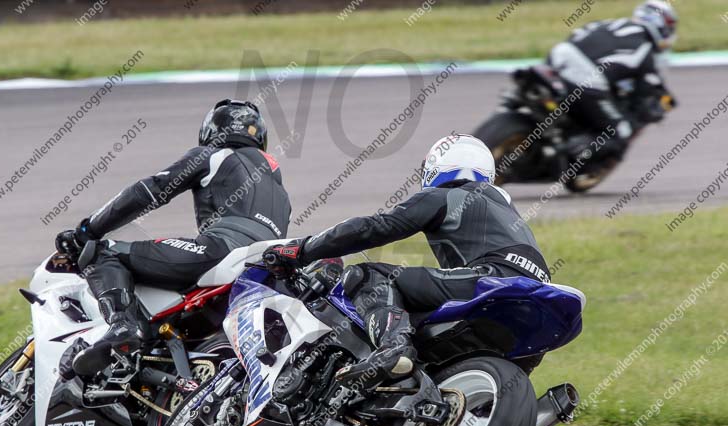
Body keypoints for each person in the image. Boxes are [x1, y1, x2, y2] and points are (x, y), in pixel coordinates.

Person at [264, 134, 550, 389]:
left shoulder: (446, 195)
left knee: (369, 275)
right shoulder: (504, 207)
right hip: (536, 300)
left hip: (492, 278)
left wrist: (303, 249)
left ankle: (393, 347)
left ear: (437, 168)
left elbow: (374, 227)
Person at [55, 99, 291, 376]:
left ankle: (123, 324)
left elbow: (149, 191)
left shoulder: (215, 155)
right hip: (261, 272)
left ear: (210, 132)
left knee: (101, 251)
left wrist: (88, 231)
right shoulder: (280, 191)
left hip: (218, 252)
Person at [548, 0, 678, 164]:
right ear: (662, 25)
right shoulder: (645, 49)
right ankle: (571, 150)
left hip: (557, 56)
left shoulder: (611, 22)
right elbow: (647, 90)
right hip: (585, 80)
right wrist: (661, 105)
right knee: (620, 132)